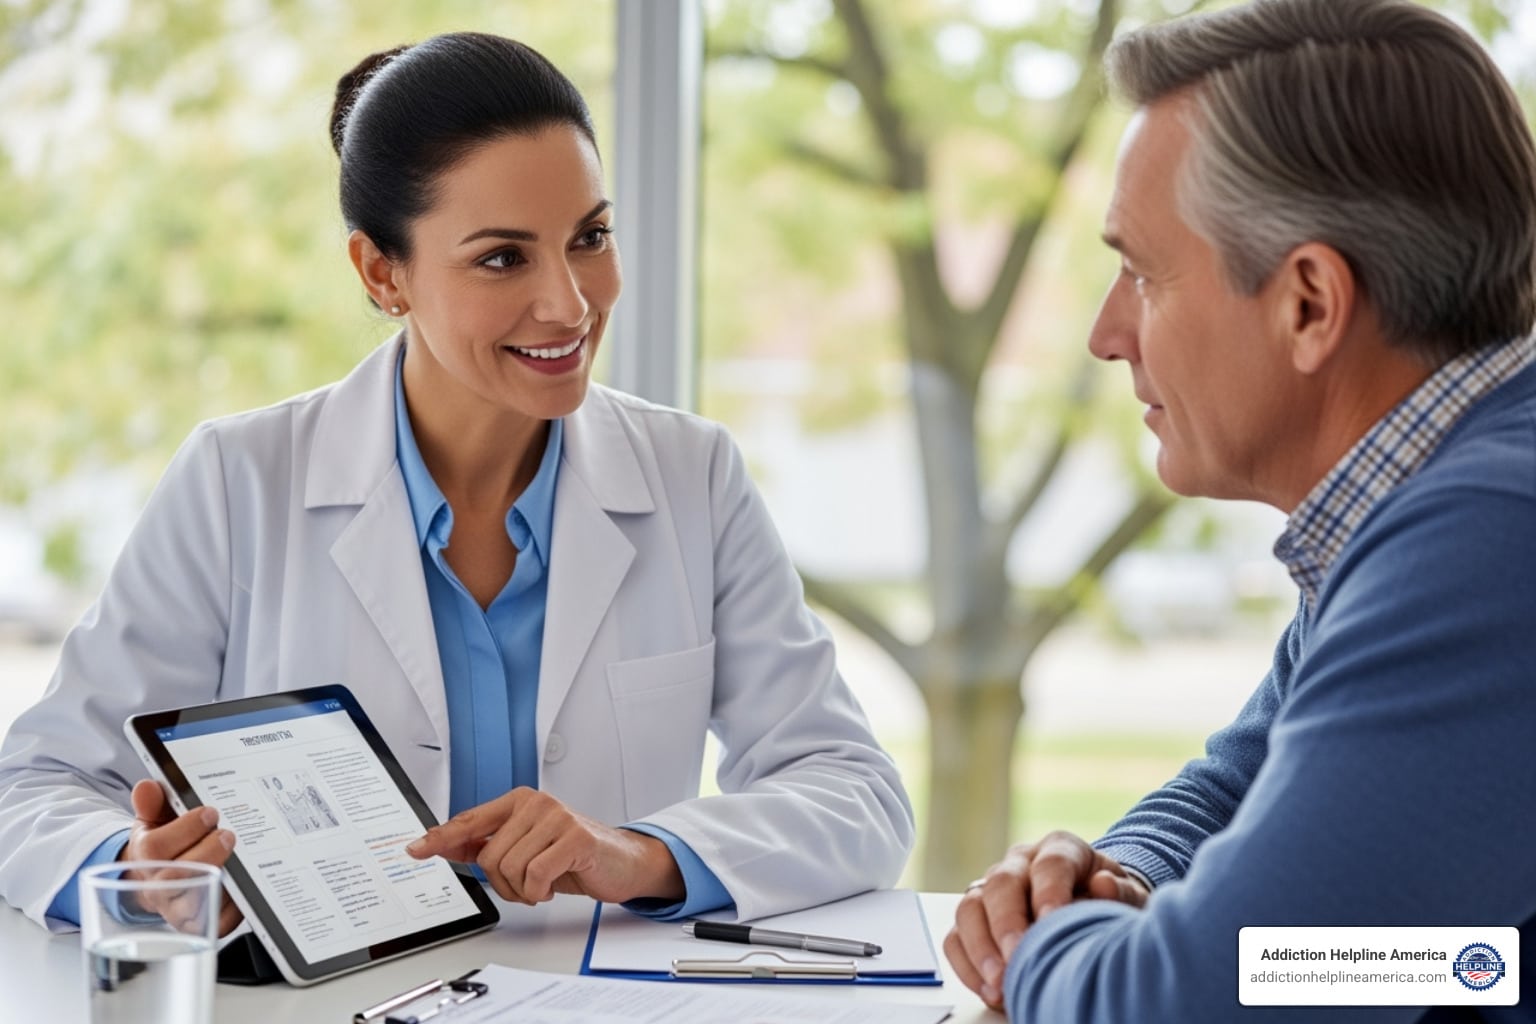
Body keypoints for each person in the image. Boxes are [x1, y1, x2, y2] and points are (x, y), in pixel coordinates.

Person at [0, 32, 913, 936]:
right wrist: (133, 867)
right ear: (381, 272)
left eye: (590, 237)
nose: (569, 303)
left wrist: (634, 853)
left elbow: (853, 793)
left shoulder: (692, 476)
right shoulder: (239, 482)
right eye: (502, 258)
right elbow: (36, 789)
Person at [944, 1, 1536, 1020]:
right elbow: (1239, 786)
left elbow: (1187, 1000)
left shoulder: (1490, 534)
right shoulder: (1431, 486)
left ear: (1308, 301)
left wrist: (1044, 947)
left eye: (1140, 272)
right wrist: (1111, 876)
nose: (1105, 333)